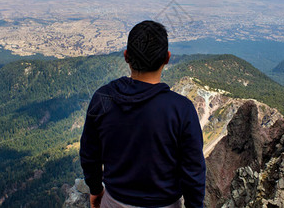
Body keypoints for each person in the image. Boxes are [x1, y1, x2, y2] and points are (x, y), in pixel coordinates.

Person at [80, 20, 206, 208]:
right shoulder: (181, 110)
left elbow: (89, 153)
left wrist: (96, 189)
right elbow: (193, 171)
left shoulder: (103, 98)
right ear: (167, 58)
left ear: (126, 56)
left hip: (114, 202)